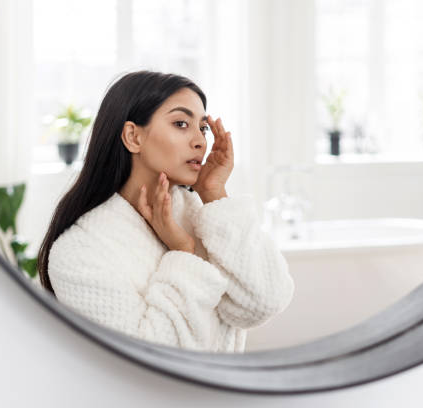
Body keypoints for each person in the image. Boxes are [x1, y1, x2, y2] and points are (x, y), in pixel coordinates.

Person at [36, 70, 294, 353]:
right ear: (133, 136)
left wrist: (215, 194)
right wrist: (183, 252)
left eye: (203, 128)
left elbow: (264, 302)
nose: (200, 141)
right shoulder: (81, 251)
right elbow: (147, 361)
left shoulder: (199, 216)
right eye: (181, 123)